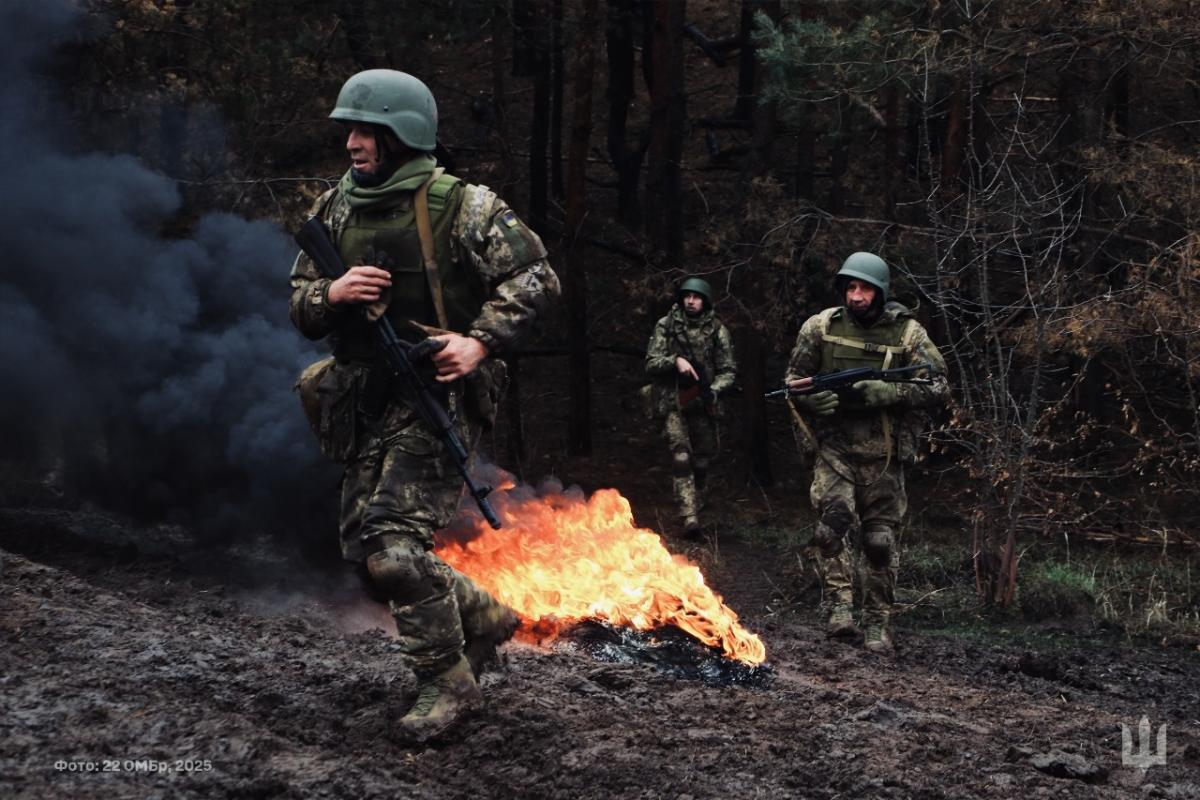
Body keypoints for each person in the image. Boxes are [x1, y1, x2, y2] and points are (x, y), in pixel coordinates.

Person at [289, 69, 560, 739]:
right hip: (362, 397)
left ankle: (447, 683)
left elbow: (535, 279)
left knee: (392, 548)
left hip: (436, 390)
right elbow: (301, 305)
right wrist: (334, 293)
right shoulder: (336, 210)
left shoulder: (462, 207)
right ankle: (486, 617)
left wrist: (479, 342)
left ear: (403, 136)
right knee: (365, 555)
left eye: (366, 131)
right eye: (349, 129)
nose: (352, 143)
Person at [785, 252, 948, 652]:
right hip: (835, 448)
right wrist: (810, 401)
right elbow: (794, 380)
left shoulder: (908, 334)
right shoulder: (820, 327)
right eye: (851, 287)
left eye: (866, 288)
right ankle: (840, 610)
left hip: (885, 454)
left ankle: (878, 623)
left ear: (881, 292)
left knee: (878, 541)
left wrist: (892, 391)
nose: (857, 296)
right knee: (831, 527)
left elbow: (940, 385)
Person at [644, 277, 737, 537]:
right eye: (687, 296)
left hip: (703, 402)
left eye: (696, 297)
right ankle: (689, 518)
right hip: (674, 401)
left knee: (702, 461)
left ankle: (698, 506)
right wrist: (675, 361)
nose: (691, 301)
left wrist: (714, 391)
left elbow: (729, 370)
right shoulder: (667, 326)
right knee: (681, 456)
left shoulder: (717, 330)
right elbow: (650, 363)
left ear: (704, 301)